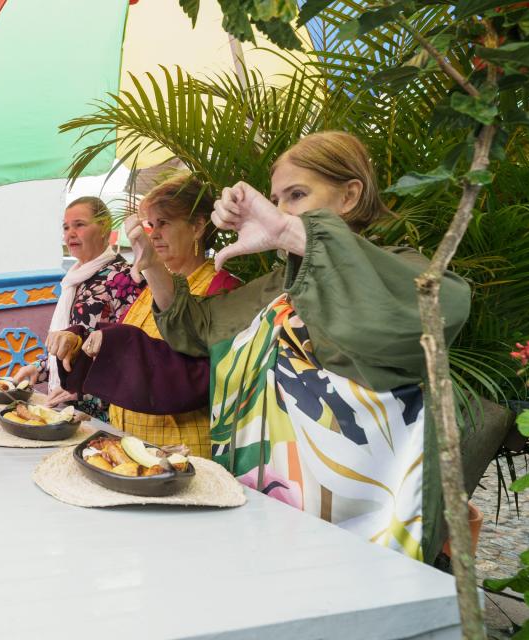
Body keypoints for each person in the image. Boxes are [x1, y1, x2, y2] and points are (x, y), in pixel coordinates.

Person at [53, 132, 470, 563]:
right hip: (271, 512)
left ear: (350, 195)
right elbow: (199, 330)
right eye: (277, 200)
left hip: (362, 530)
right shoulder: (281, 284)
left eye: (297, 195)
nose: (282, 210)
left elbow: (425, 317)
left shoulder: (397, 269)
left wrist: (291, 232)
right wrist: (154, 264)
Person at [48, 175, 239, 457]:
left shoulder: (222, 288)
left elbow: (206, 377)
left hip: (181, 447)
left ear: (198, 226)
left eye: (164, 223)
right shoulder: (151, 288)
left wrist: (116, 341)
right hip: (130, 441)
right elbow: (124, 359)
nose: (153, 234)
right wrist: (77, 345)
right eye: (151, 224)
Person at [12, 196, 143, 421]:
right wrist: (40, 369)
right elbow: (74, 346)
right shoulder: (74, 279)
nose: (70, 233)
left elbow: (132, 351)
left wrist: (83, 392)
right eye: (66, 227)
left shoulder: (123, 278)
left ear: (104, 228)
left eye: (79, 225)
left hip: (106, 414)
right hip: (69, 408)